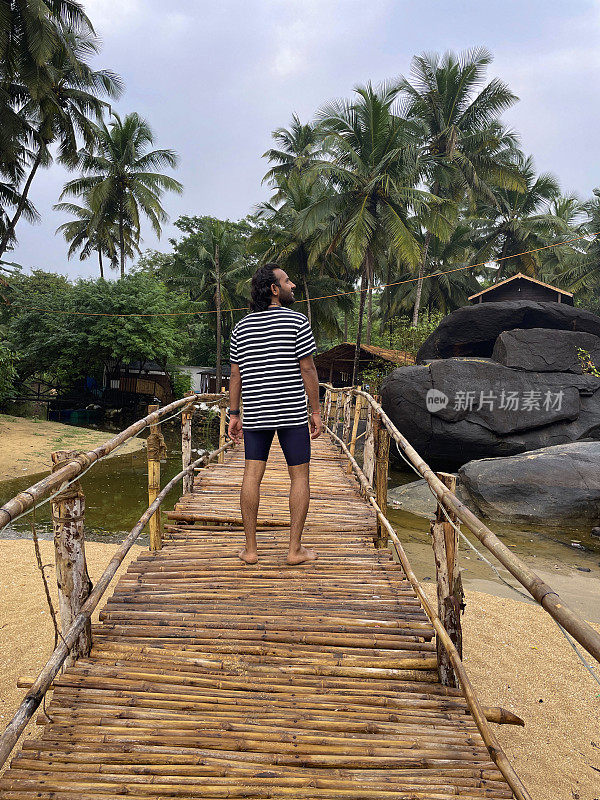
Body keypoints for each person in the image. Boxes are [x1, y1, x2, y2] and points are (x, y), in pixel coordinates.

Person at [227, 263, 323, 565]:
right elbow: (307, 368)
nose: (292, 284)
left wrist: (234, 413)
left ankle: (251, 550)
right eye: (287, 280)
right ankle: (294, 550)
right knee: (299, 477)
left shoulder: (241, 327)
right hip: (292, 413)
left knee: (251, 476)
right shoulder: (297, 322)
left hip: (256, 414)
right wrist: (316, 411)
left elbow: (235, 375)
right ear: (274, 289)